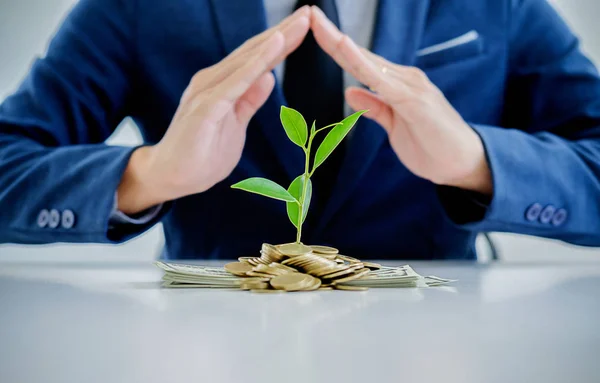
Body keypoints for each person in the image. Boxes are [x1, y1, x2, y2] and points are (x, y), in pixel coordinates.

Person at [0, 0, 599, 260]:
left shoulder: (499, 6)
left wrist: (476, 162)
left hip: (442, 356)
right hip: (205, 355)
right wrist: (147, 174)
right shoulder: (138, 8)